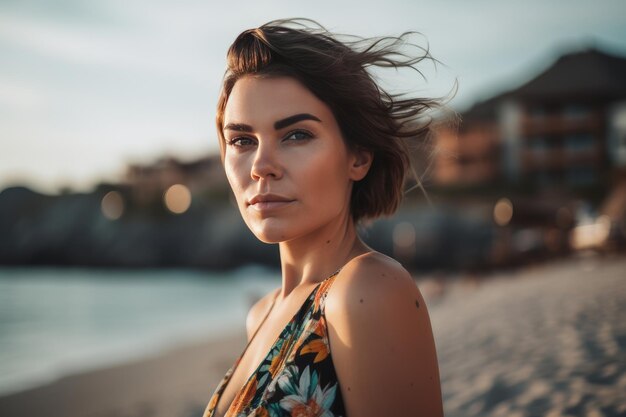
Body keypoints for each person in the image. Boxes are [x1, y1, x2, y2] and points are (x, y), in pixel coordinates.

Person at [204, 18, 443, 417]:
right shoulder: (261, 314)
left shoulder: (368, 290)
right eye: (242, 140)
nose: (261, 166)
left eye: (296, 134)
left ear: (358, 157)